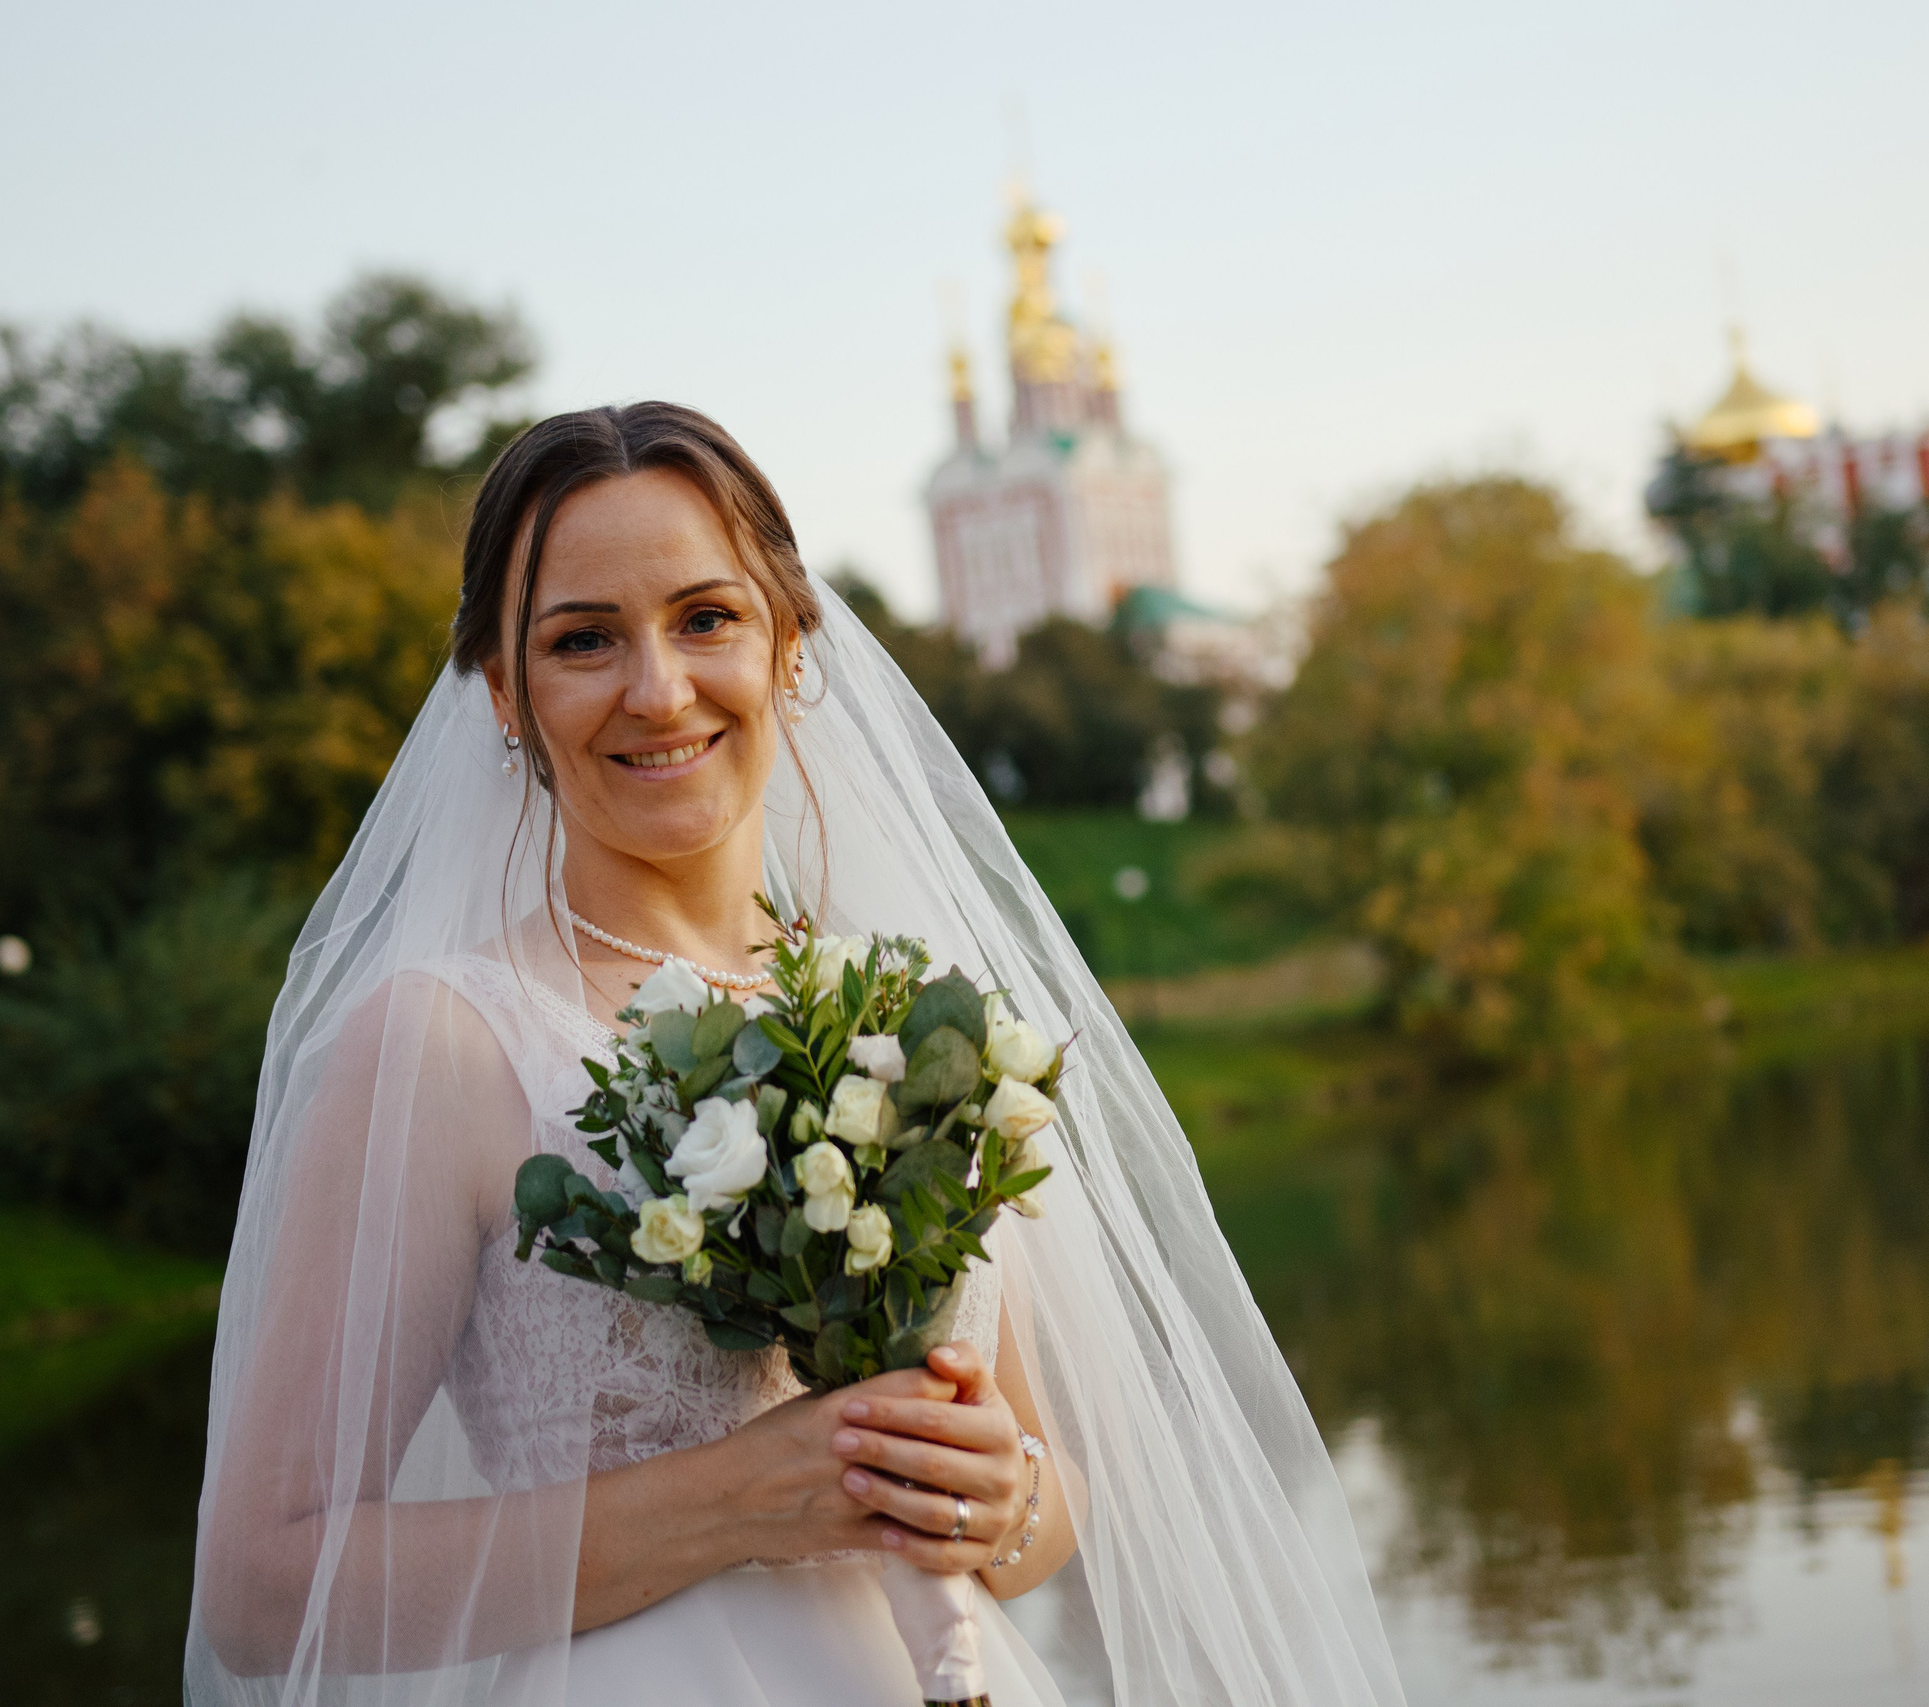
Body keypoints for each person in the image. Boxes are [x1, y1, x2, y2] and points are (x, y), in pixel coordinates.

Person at [185, 404, 1405, 1707]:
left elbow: (1042, 1524)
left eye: (707, 618)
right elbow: (264, 1588)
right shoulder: (446, 1042)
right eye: (585, 640)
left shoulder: (922, 1032)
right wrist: (733, 1502)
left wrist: (999, 1493)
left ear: (789, 649)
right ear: (504, 693)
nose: (658, 688)